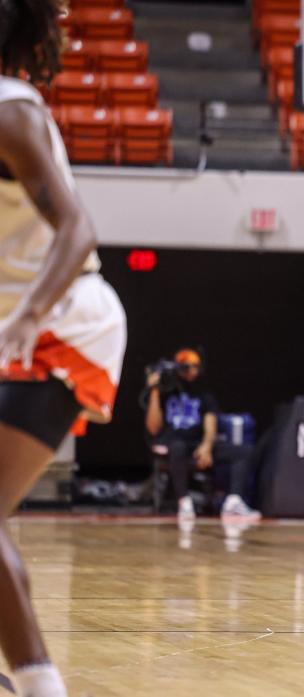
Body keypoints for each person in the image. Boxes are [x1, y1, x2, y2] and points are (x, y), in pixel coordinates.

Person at [0, 5, 128, 693]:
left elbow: (79, 228)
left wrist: (27, 317)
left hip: (63, 319)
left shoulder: (9, 113)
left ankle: (39, 684)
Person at [145, 349, 260, 521]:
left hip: (198, 444)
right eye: (187, 366)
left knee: (244, 451)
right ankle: (184, 502)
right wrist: (154, 391)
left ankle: (234, 502)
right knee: (177, 447)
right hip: (174, 444)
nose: (192, 371)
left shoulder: (203, 394)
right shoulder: (165, 393)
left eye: (196, 366)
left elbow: (210, 424)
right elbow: (153, 428)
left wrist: (206, 446)